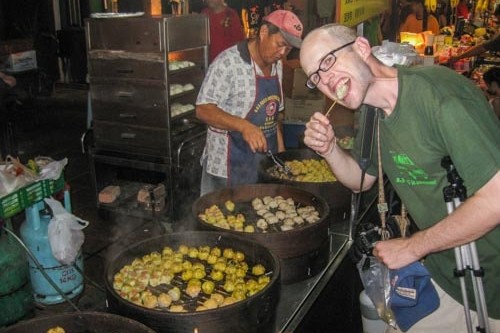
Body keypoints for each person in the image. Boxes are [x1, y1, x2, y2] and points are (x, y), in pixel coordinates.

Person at [300, 23, 500, 332]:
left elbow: (496, 200)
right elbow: (362, 180)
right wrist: (329, 150)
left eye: (328, 61)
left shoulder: (439, 98)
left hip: (491, 279)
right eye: (315, 77)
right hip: (444, 270)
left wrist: (413, 246)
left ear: (362, 48)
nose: (325, 80)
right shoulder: (371, 109)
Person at [196, 9, 303, 196]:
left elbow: (274, 115)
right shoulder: (228, 63)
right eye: (280, 45)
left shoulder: (277, 65)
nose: (283, 53)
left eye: (288, 49)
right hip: (226, 168)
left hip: (262, 166)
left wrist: (281, 153)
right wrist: (244, 126)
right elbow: (203, 109)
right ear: (263, 33)